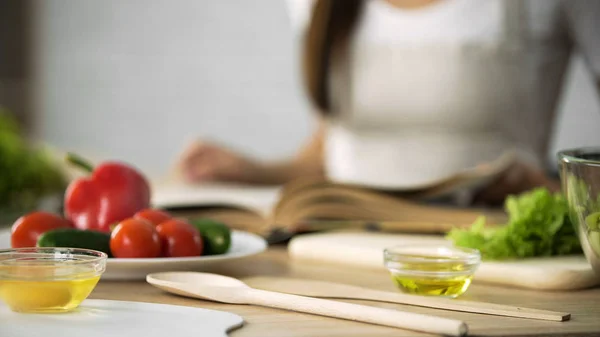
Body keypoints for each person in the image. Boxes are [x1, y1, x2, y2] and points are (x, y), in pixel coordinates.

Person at [178, 0, 600, 205]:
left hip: (496, 261)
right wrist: (252, 170)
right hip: (341, 252)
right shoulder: (315, 6)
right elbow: (336, 149)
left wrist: (555, 194)